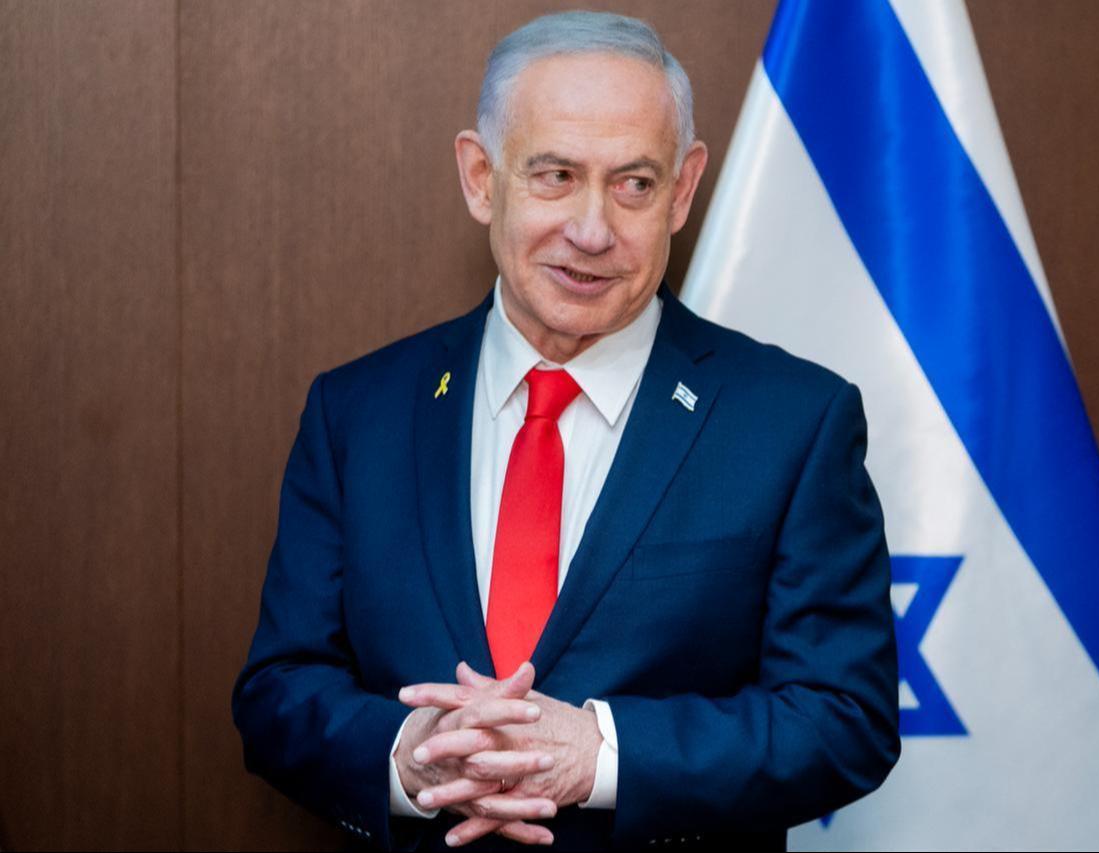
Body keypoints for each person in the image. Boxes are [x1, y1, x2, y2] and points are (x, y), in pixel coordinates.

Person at [232, 10, 898, 851]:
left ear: (684, 190)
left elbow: (845, 718)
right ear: (481, 177)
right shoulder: (356, 412)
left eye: (635, 184)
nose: (592, 230)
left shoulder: (793, 422)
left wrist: (604, 754)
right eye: (554, 175)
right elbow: (277, 690)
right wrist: (408, 755)